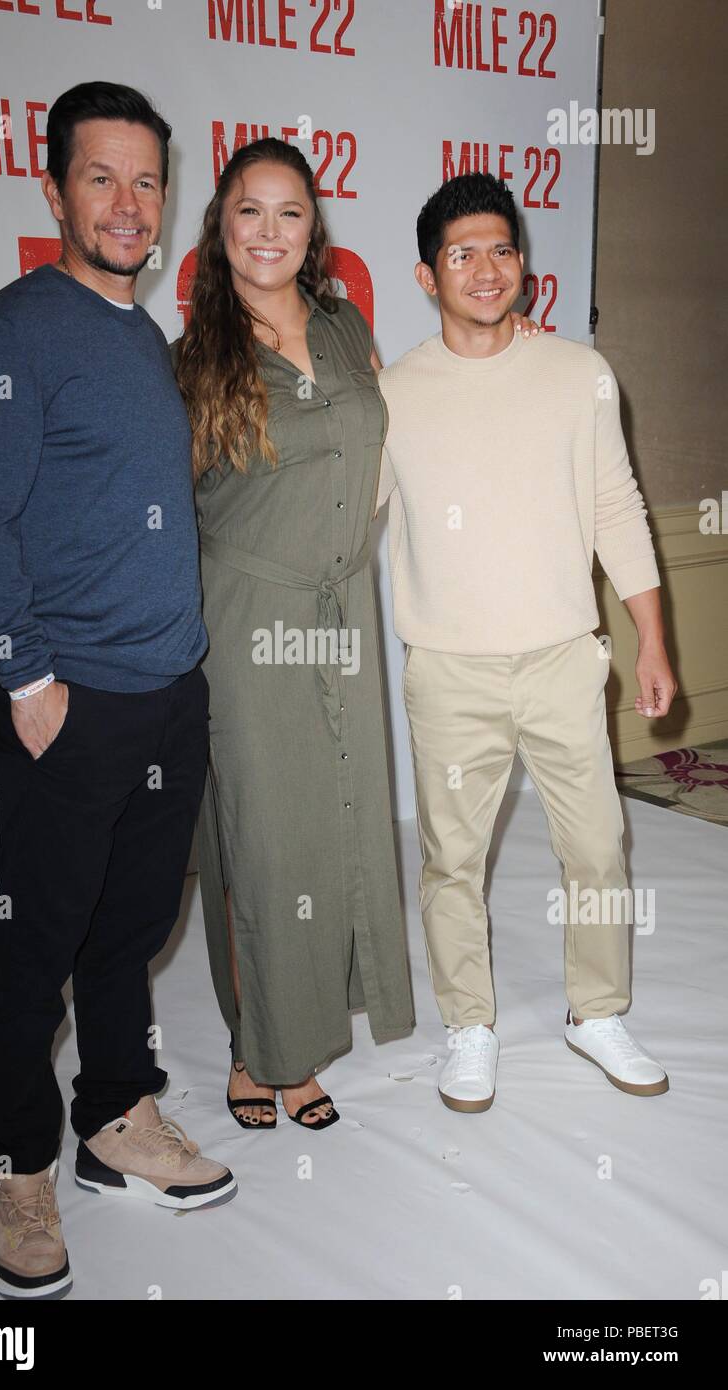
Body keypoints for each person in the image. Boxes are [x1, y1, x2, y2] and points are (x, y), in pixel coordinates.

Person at [0, 82, 235, 1302]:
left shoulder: (142, 339)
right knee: (38, 943)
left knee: (129, 932)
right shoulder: (7, 336)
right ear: (53, 189)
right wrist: (27, 674)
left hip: (169, 688)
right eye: (100, 178)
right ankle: (17, 1161)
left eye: (147, 181)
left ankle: (117, 1114)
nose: (126, 203)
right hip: (70, 699)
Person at [172, 140, 537, 1129]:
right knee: (259, 840)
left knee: (334, 828)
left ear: (311, 231)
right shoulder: (192, 357)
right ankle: (262, 1055)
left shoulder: (342, 328)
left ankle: (303, 1037)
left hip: (341, 614)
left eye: (289, 213)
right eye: (249, 212)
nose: (268, 232)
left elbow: (394, 449)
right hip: (243, 616)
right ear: (220, 225)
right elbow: (166, 510)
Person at [376, 171, 677, 1113]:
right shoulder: (390, 394)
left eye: (501, 248)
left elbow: (616, 510)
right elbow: (343, 525)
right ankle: (469, 1025)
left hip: (560, 658)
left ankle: (597, 1012)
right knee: (449, 864)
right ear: (428, 276)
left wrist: (652, 642)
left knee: (597, 847)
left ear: (523, 265)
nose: (485, 267)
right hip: (449, 671)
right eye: (461, 253)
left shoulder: (577, 373)